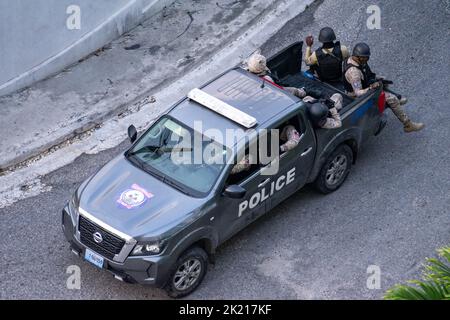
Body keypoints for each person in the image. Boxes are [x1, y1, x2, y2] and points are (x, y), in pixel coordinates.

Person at [343, 43, 424, 133]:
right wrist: (371, 88)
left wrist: (378, 79)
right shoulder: (354, 73)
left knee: (383, 81)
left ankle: (393, 102)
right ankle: (408, 124)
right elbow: (358, 93)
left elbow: (367, 74)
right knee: (391, 99)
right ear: (358, 57)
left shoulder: (355, 61)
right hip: (356, 97)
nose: (367, 59)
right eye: (365, 57)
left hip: (364, 84)